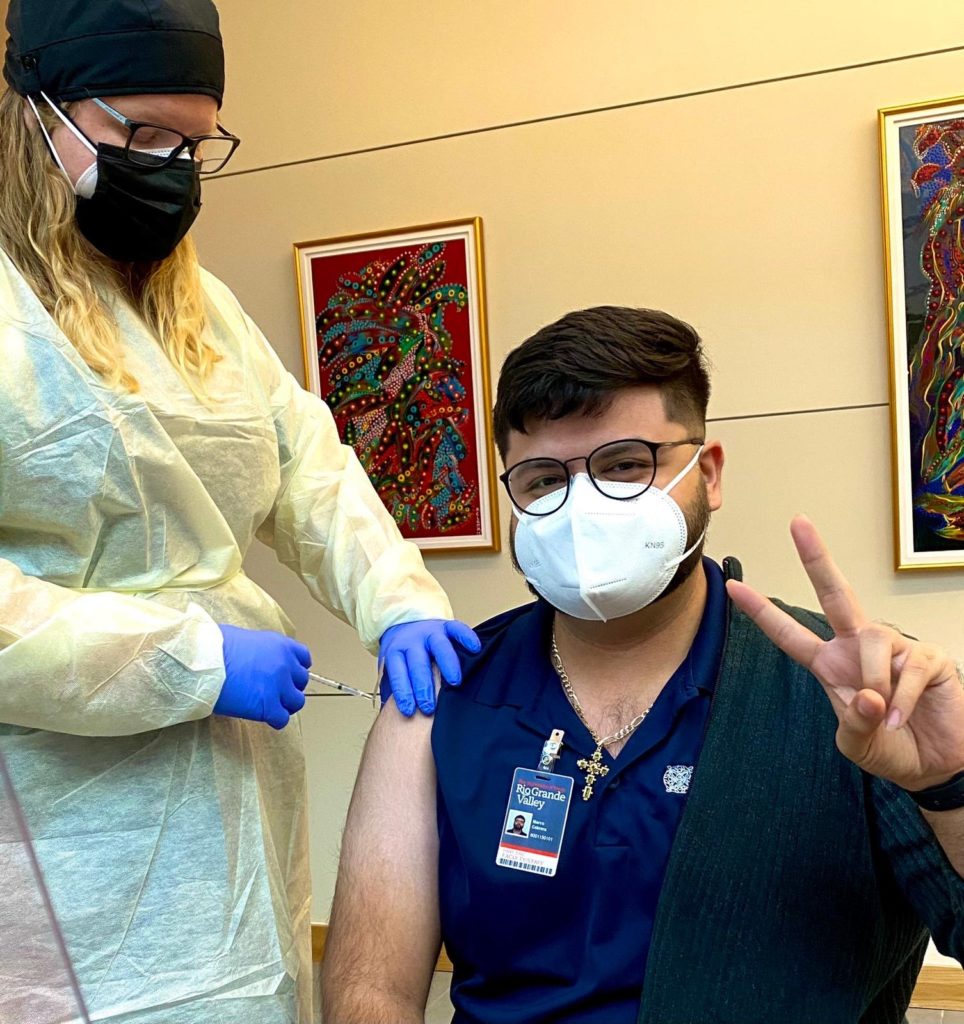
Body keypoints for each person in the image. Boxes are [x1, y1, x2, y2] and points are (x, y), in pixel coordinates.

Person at [0, 2, 480, 1022]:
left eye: (195, 142)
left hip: (231, 813)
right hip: (52, 826)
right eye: (141, 136)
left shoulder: (195, 303)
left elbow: (305, 465)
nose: (171, 167)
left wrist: (396, 600)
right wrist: (190, 658)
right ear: (35, 113)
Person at [321, 307, 964, 1024]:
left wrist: (950, 782)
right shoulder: (447, 699)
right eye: (541, 480)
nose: (584, 506)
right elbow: (369, 992)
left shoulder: (848, 700)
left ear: (708, 474)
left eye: (625, 464)